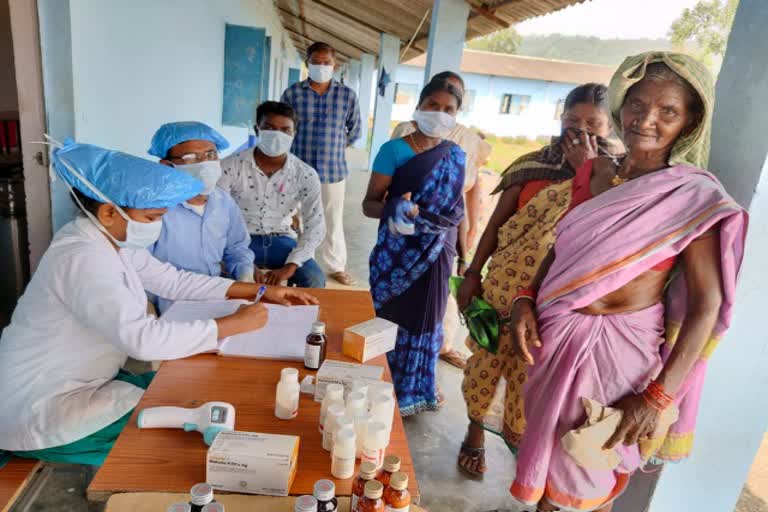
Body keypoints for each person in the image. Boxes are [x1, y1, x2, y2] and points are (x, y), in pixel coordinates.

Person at [507, 53, 747, 512]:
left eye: (667, 111)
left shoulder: (692, 196)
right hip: (556, 333)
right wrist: (524, 298)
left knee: (591, 464)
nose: (646, 120)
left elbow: (707, 305)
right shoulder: (594, 172)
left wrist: (658, 396)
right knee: (550, 454)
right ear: (620, 105)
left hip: (623, 349)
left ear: (690, 121)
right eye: (637, 104)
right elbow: (563, 248)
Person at [0, 140, 316, 466]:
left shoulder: (109, 240)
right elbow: (143, 341)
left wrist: (257, 292)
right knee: (173, 446)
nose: (158, 226)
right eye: (152, 217)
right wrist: (231, 325)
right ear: (109, 212)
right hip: (38, 406)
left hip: (79, 380)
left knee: (188, 394)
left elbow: (172, 281)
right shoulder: (83, 257)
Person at [455, 83, 619, 477]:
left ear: (610, 127)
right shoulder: (531, 165)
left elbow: (606, 236)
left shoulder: (616, 179)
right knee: (484, 364)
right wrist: (473, 274)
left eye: (593, 124)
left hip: (554, 300)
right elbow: (496, 224)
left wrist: (587, 171)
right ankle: (475, 432)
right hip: (501, 288)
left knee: (530, 378)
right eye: (571, 121)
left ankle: (521, 448)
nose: (580, 131)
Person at [363, 79, 466, 416]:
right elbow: (369, 205)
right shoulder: (393, 150)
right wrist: (395, 207)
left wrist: (465, 255)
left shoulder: (454, 156)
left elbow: (455, 212)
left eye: (448, 109)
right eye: (433, 106)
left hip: (437, 252)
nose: (439, 114)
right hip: (397, 252)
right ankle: (387, 384)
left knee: (427, 319)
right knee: (392, 314)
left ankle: (419, 388)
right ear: (419, 107)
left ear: (457, 115)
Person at [391, 71, 492, 369]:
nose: (441, 111)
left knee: (441, 298)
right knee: (401, 296)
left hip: (446, 232)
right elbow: (389, 186)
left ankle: (439, 349)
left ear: (458, 106)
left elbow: (471, 189)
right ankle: (393, 354)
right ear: (423, 102)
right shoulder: (404, 133)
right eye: (434, 103)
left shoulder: (468, 141)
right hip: (406, 230)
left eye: (450, 103)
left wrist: (473, 227)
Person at [147, 121, 255, 313]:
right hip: (170, 300)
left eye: (210, 155)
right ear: (167, 166)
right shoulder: (154, 209)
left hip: (217, 291)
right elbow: (141, 267)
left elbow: (237, 248)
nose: (205, 164)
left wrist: (245, 277)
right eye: (191, 158)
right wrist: (148, 308)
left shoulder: (223, 201)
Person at [219, 101, 326, 288]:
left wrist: (292, 265)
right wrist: (243, 262)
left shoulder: (306, 174)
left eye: (285, 130)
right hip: (240, 242)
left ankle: (300, 318)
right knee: (225, 282)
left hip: (282, 241)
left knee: (314, 280)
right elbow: (217, 218)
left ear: (294, 133)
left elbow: (315, 225)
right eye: (269, 128)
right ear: (257, 129)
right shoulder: (230, 166)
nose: (277, 135)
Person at [280, 41, 361, 286]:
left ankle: (336, 266)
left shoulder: (346, 95)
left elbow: (354, 130)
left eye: (327, 62)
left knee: (332, 218)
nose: (322, 66)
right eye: (316, 62)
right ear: (308, 63)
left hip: (332, 169)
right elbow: (283, 128)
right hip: (297, 168)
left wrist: (333, 146)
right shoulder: (293, 93)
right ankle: (302, 263)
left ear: (334, 65)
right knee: (295, 218)